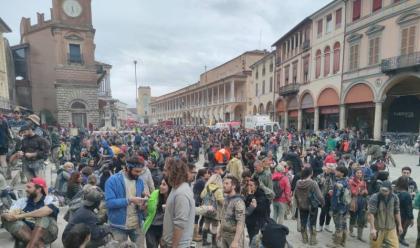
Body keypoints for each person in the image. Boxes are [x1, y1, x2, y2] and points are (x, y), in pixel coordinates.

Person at [1, 177, 59, 248]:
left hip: (47, 233)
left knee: (42, 217)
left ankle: (32, 245)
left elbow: (47, 211)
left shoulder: (50, 199)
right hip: (25, 232)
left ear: (38, 189)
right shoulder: (22, 201)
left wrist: (20, 216)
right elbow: (11, 214)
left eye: (29, 187)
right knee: (6, 219)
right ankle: (38, 244)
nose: (26, 190)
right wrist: (5, 215)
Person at [105, 156, 146, 247]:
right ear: (127, 168)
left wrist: (142, 205)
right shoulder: (112, 181)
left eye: (140, 171)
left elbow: (138, 203)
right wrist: (129, 200)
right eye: (136, 171)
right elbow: (109, 203)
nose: (138, 174)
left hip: (137, 225)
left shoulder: (140, 182)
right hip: (117, 226)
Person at [161, 157, 195, 248]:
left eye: (166, 170)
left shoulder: (181, 193)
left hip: (179, 245)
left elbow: (180, 224)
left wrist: (174, 246)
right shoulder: (175, 189)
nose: (165, 173)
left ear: (173, 172)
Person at [368, 180, 403, 248]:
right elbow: (371, 213)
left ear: (390, 190)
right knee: (375, 246)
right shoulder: (375, 197)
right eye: (382, 190)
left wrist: (400, 225)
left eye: (386, 191)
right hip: (378, 228)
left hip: (391, 228)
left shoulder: (395, 197)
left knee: (395, 246)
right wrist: (372, 228)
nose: (383, 192)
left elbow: (397, 211)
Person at [294, 167, 324, 245]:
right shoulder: (313, 183)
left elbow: (295, 194)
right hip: (312, 206)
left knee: (303, 222)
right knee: (312, 223)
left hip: (302, 205)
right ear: (311, 173)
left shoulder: (298, 182)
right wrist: (323, 203)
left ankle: (304, 239)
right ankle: (313, 240)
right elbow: (320, 196)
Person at [217, 175, 246, 248]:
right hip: (224, 235)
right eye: (224, 183)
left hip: (233, 237)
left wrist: (235, 242)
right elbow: (223, 217)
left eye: (227, 183)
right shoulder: (226, 199)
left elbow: (240, 223)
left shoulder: (238, 202)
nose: (224, 185)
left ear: (233, 186)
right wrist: (220, 231)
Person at [143, 178, 172, 248]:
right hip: (152, 227)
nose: (161, 186)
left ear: (170, 186)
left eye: (164, 185)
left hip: (164, 229)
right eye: (161, 184)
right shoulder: (155, 193)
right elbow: (148, 210)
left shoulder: (173, 198)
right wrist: (145, 205)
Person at [200, 173, 224, 247]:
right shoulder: (218, 190)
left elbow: (201, 196)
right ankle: (214, 243)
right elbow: (221, 201)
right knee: (214, 226)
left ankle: (204, 241)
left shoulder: (207, 187)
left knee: (206, 224)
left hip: (206, 210)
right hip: (215, 212)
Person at [244, 177, 270, 244]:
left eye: (251, 185)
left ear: (256, 186)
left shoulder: (262, 196)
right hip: (250, 222)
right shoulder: (249, 194)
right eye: (248, 185)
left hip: (257, 223)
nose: (249, 187)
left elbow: (260, 210)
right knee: (251, 239)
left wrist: (250, 196)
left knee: (255, 242)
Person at [330, 166, 350, 247]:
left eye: (337, 170)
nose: (335, 171)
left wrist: (332, 208)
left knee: (338, 226)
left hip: (338, 207)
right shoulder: (346, 181)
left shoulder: (339, 183)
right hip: (345, 207)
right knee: (344, 224)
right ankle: (343, 242)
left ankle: (336, 244)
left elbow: (336, 196)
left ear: (341, 173)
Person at [348, 167, 368, 241]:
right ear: (354, 173)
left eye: (360, 173)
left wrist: (365, 191)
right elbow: (353, 192)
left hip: (362, 201)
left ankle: (360, 235)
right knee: (353, 216)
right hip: (354, 201)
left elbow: (366, 190)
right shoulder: (351, 181)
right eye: (358, 173)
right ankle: (351, 231)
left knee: (362, 218)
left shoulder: (364, 181)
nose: (359, 174)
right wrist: (360, 187)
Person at [394, 176, 414, 247]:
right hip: (403, 216)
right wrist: (411, 218)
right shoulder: (406, 194)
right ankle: (398, 240)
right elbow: (409, 208)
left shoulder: (394, 191)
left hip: (394, 214)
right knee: (401, 230)